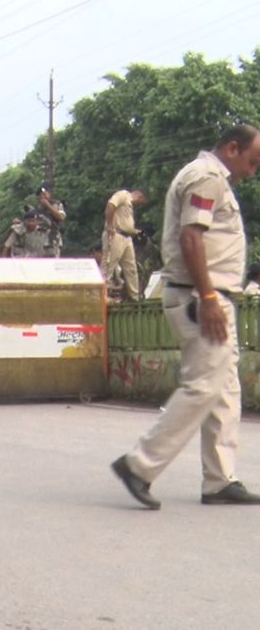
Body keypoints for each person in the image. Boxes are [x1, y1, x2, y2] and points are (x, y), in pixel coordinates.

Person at [111, 124, 260, 509]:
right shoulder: (206, 178)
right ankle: (139, 465)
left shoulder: (210, 177)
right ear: (232, 148)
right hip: (201, 296)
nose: (252, 170)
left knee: (225, 388)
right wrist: (208, 296)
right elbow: (191, 238)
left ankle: (219, 479)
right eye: (252, 161)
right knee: (203, 386)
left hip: (209, 294)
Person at [102, 189, 147, 301]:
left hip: (127, 238)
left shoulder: (130, 206)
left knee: (131, 269)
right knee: (108, 265)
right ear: (140, 196)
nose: (139, 206)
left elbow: (125, 223)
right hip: (115, 233)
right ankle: (100, 295)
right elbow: (110, 205)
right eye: (141, 203)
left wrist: (136, 232)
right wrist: (109, 225)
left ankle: (135, 298)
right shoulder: (123, 195)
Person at [35, 183, 67, 257]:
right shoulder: (37, 208)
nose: (44, 196)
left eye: (45, 194)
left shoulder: (57, 204)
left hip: (52, 241)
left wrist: (48, 206)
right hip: (39, 241)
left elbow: (61, 217)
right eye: (41, 195)